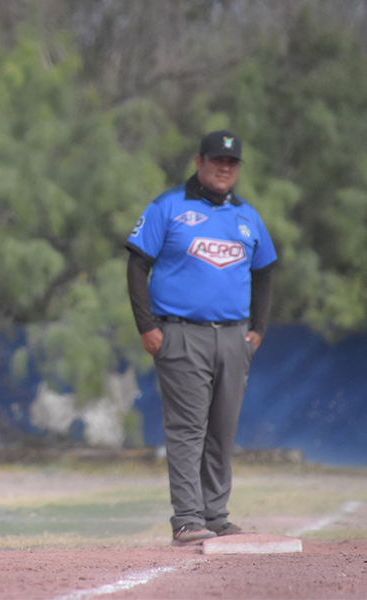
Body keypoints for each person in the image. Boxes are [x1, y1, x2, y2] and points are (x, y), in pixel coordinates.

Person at [125, 130, 277, 546]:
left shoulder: (247, 217)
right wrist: (148, 328)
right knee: (188, 428)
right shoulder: (169, 207)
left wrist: (257, 330)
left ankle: (216, 514)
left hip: (232, 338)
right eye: (216, 161)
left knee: (222, 429)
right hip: (181, 334)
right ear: (199, 162)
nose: (224, 168)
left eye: (231, 163)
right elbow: (137, 265)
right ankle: (188, 518)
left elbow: (264, 272)